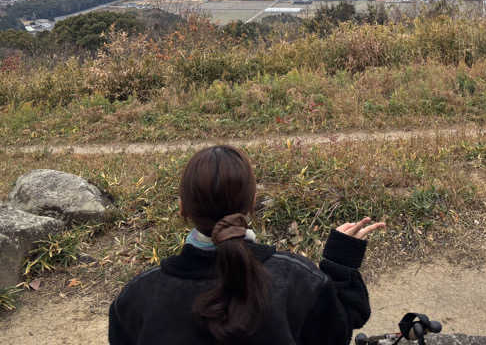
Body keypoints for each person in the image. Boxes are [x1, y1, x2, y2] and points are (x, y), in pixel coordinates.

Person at [108, 145, 385, 344]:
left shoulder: (136, 298)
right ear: (251, 205)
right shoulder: (298, 280)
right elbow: (336, 333)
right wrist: (339, 265)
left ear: (182, 208)